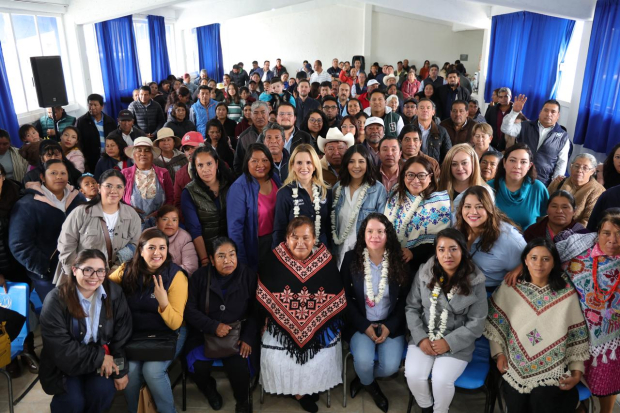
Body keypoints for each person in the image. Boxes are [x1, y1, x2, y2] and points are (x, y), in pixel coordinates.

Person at [485, 239, 589, 413]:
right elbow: (496, 325)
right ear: (525, 260)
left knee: (542, 402)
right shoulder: (510, 288)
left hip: (553, 366)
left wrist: (577, 372)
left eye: (546, 259)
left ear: (554, 262)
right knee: (517, 405)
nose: (539, 264)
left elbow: (576, 337)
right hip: (514, 362)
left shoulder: (566, 293)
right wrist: (498, 354)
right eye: (533, 258)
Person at [257, 217, 346, 413]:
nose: (300, 243)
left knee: (322, 355)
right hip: (280, 326)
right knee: (277, 357)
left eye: (306, 237)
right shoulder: (274, 259)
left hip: (320, 327)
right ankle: (298, 392)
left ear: (314, 239)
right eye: (294, 237)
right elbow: (264, 295)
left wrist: (322, 322)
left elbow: (335, 296)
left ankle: (305, 389)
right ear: (286, 239)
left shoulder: (325, 259)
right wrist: (267, 319)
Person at [39, 249, 132, 413]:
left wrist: (120, 371)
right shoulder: (55, 300)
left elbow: (121, 337)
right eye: (88, 269)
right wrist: (100, 358)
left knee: (102, 392)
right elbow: (61, 348)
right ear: (74, 270)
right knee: (72, 402)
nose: (94, 276)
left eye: (100, 271)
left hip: (100, 361)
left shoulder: (114, 293)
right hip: (65, 366)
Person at [405, 228, 487, 413]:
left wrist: (448, 343)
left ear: (462, 251)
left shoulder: (476, 280)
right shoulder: (424, 272)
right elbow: (411, 308)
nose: (447, 255)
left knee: (441, 380)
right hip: (425, 335)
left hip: (457, 341)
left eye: (453, 249)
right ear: (436, 252)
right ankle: (426, 407)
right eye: (441, 249)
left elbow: (477, 321)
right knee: (413, 375)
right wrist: (420, 338)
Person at [547, 212, 620, 413]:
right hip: (574, 330)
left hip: (612, 336)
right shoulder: (577, 254)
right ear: (598, 233)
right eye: (606, 233)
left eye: (619, 233)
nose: (612, 239)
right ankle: (578, 407)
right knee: (566, 379)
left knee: (609, 380)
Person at [108, 228, 187, 413]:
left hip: (169, 333)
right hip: (136, 334)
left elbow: (175, 323)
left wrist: (164, 303)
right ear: (141, 250)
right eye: (151, 247)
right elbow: (105, 286)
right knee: (132, 371)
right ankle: (136, 410)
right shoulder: (127, 270)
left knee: (152, 372)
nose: (157, 253)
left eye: (162, 248)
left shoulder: (177, 276)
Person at [340, 214, 407, 412]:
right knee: (362, 362)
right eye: (370, 231)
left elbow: (405, 300)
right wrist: (364, 326)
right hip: (361, 323)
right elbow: (342, 297)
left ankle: (363, 380)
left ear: (388, 235)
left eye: (380, 231)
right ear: (363, 234)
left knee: (390, 367)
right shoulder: (351, 258)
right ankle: (370, 386)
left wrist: (390, 326)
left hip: (390, 323)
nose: (374, 236)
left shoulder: (399, 260)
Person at [184, 237, 257, 412]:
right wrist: (213, 326)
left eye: (232, 255)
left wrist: (247, 337)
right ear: (211, 259)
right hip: (204, 334)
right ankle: (210, 390)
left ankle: (243, 401)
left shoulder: (247, 275)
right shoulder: (199, 277)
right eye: (221, 256)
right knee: (197, 368)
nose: (228, 260)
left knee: (240, 367)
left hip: (238, 335)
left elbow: (257, 311)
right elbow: (190, 310)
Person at [9, 160, 85, 301]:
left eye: (63, 173)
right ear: (42, 177)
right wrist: (44, 267)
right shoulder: (27, 204)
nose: (59, 177)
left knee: (81, 313)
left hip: (79, 269)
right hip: (49, 276)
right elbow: (19, 244)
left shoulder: (78, 198)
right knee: (56, 316)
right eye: (53, 173)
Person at [56, 169, 141, 284]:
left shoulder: (132, 215)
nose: (114, 190)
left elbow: (135, 244)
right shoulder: (81, 212)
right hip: (83, 277)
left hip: (116, 277)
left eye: (119, 187)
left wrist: (116, 267)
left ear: (124, 190)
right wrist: (74, 274)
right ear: (99, 188)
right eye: (109, 186)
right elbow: (66, 245)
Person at [384, 156, 451, 273]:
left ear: (430, 177)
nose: (415, 180)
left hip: (421, 266)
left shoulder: (439, 203)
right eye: (410, 175)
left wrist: (413, 253)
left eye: (421, 175)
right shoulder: (395, 196)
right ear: (404, 176)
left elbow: (439, 243)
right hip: (390, 260)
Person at [455, 185, 526, 289]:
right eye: (467, 206)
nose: (473, 212)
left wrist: (522, 267)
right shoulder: (457, 225)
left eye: (479, 206)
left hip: (492, 293)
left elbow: (534, 261)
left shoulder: (509, 238)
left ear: (490, 209)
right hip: (461, 287)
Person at [227, 144, 281, 271]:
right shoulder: (239, 188)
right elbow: (235, 230)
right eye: (254, 161)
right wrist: (241, 262)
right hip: (256, 246)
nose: (260, 165)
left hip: (277, 241)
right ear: (247, 162)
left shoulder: (275, 178)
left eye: (265, 160)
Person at [332, 146, 387, 267]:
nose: (356, 166)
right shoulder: (337, 188)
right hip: (339, 252)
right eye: (351, 161)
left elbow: (383, 226)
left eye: (361, 161)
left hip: (365, 254)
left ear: (368, 163)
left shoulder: (378, 190)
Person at [501, 95, 569, 185]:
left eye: (553, 112)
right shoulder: (525, 126)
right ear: (540, 112)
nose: (548, 114)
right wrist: (514, 112)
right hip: (519, 177)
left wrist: (554, 185)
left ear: (558, 116)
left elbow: (561, 164)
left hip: (543, 182)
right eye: (546, 110)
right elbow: (505, 128)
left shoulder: (563, 137)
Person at [273, 144, 331, 248]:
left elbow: (330, 226)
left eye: (309, 162)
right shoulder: (284, 193)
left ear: (314, 166)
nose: (304, 167)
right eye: (299, 163)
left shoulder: (325, 190)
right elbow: (279, 230)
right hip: (295, 251)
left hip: (322, 251)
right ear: (292, 166)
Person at [489, 143, 549, 230]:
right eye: (512, 160)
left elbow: (544, 220)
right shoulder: (489, 188)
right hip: (493, 240)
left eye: (523, 162)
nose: (517, 166)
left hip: (528, 242)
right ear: (504, 162)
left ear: (529, 166)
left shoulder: (538, 188)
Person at [121, 137, 174, 229]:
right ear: (133, 155)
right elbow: (117, 199)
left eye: (147, 151)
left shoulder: (163, 173)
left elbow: (171, 199)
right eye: (139, 150)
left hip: (159, 223)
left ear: (152, 155)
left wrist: (158, 213)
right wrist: (130, 210)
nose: (143, 153)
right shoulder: (125, 174)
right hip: (130, 223)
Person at [547, 153, 605, 227]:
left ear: (593, 171)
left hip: (577, 233)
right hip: (550, 226)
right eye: (576, 166)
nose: (579, 170)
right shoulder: (559, 182)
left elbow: (587, 220)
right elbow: (544, 206)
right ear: (571, 167)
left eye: (585, 168)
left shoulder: (598, 191)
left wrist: (570, 234)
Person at [76, 94, 117, 172]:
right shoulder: (81, 122)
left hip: (108, 158)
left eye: (95, 105)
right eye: (90, 104)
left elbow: (116, 140)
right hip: (90, 160)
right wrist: (84, 161)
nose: (92, 107)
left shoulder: (110, 121)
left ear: (102, 106)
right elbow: (78, 142)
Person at [233, 101, 270, 175]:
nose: (259, 116)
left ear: (268, 113)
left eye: (263, 112)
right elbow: (238, 164)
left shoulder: (278, 132)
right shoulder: (244, 137)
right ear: (251, 115)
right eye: (256, 113)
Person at [416, 98, 452, 164]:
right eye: (421, 108)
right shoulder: (408, 129)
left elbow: (448, 154)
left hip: (434, 169)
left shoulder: (441, 131)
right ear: (416, 111)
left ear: (433, 112)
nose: (425, 110)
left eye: (428, 108)